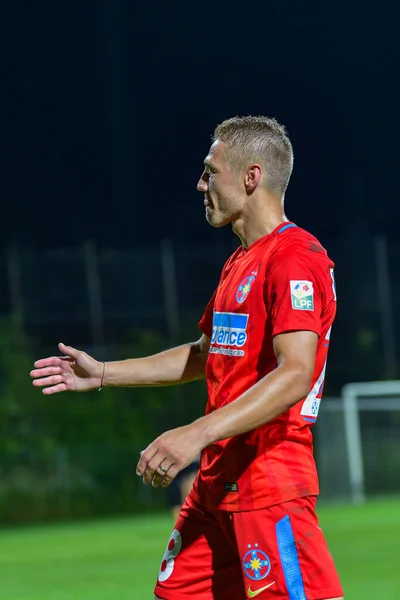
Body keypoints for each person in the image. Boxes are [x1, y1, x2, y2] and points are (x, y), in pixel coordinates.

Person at [30, 116, 344, 600]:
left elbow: (296, 373)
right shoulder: (240, 260)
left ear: (250, 177)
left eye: (210, 171)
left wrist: (194, 434)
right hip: (216, 487)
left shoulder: (295, 258)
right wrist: (104, 373)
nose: (200, 184)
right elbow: (204, 355)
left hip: (268, 485)